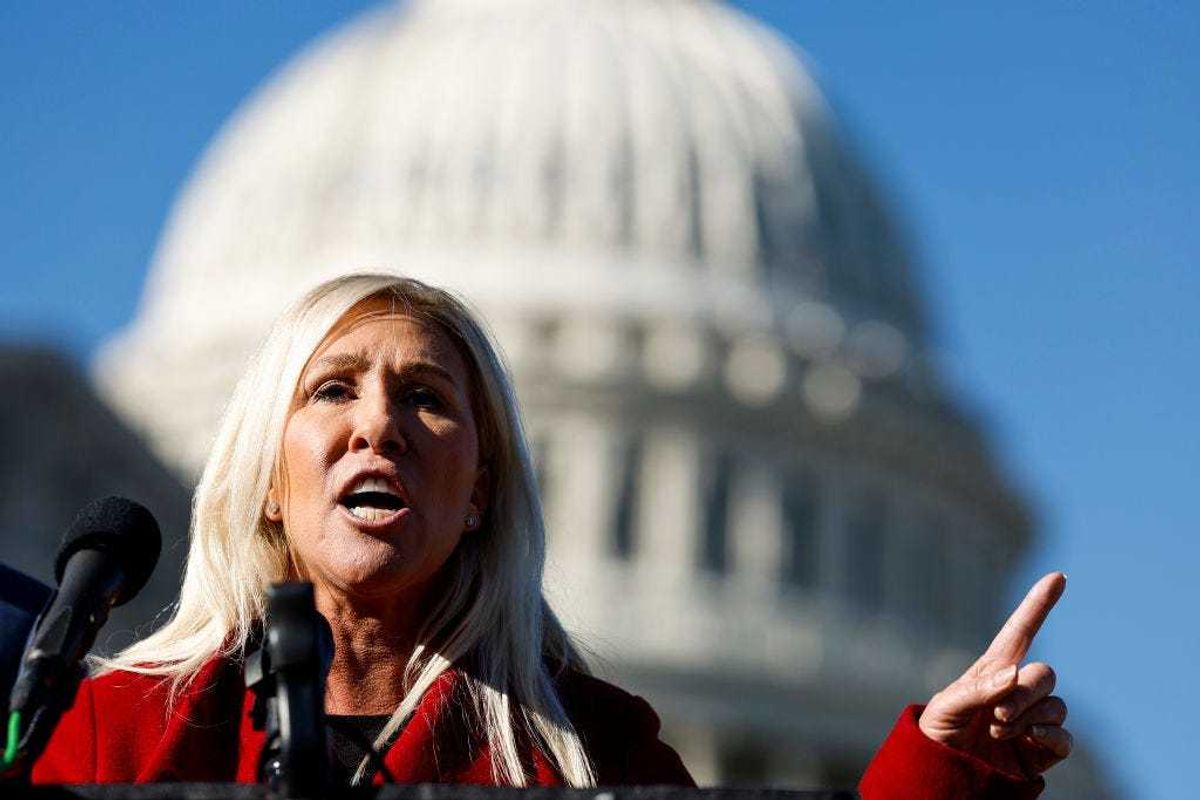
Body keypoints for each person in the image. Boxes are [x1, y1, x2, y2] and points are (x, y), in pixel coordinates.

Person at [32, 274, 1071, 797]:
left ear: (482, 488)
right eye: (334, 389)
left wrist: (938, 768)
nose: (377, 424)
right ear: (266, 478)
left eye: (428, 398)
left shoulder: (593, 748)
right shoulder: (110, 731)